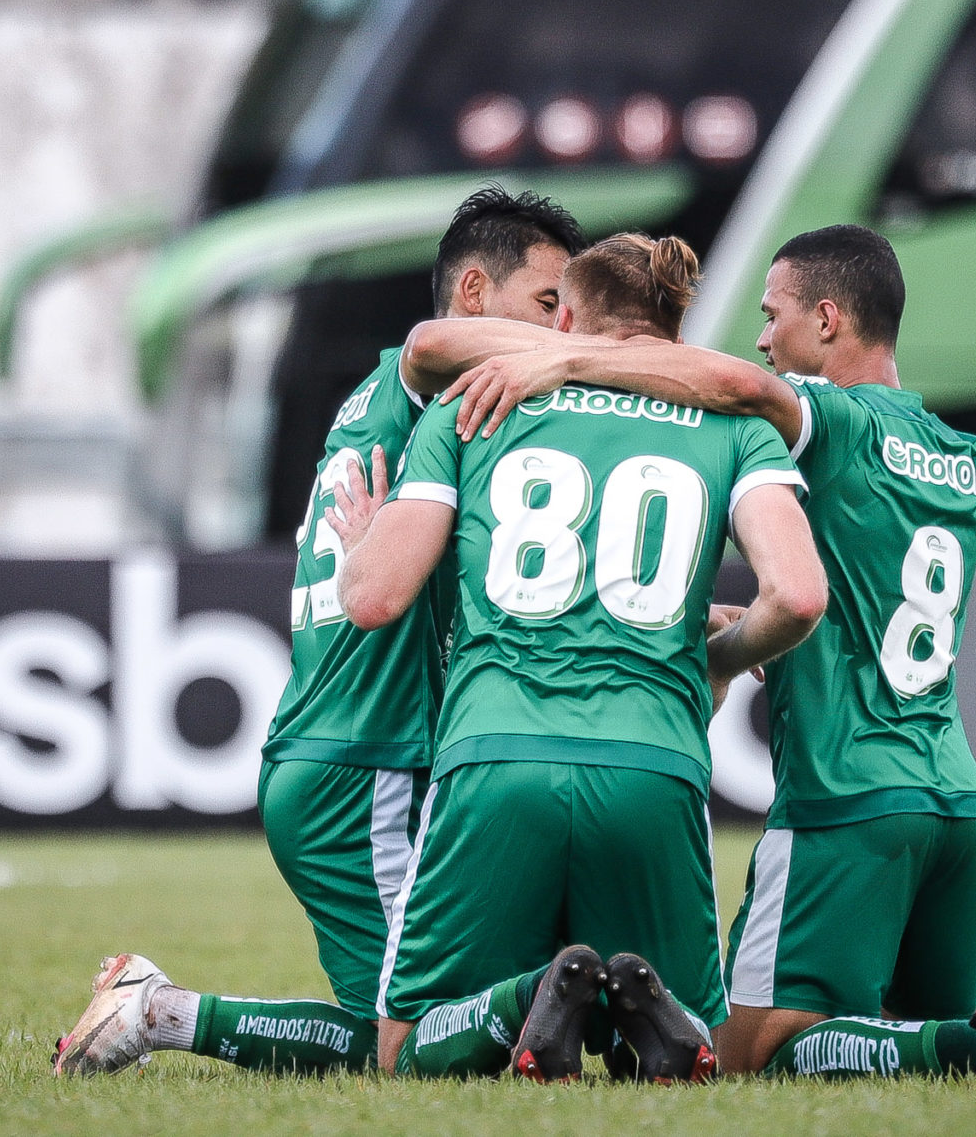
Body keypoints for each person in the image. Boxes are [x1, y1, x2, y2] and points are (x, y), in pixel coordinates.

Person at [417, 223, 976, 1079]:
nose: (761, 337)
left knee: (751, 1051)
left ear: (827, 319)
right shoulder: (963, 459)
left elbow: (729, 384)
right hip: (955, 804)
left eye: (772, 313)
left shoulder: (827, 419)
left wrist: (566, 360)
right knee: (908, 1027)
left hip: (844, 795)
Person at [51, 186, 586, 1078]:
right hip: (365, 762)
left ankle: (163, 1009)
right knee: (406, 1046)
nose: (561, 330)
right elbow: (430, 345)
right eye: (545, 305)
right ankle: (160, 1012)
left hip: (351, 751)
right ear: (472, 292)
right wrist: (607, 356)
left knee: (401, 1025)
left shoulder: (392, 408)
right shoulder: (419, 380)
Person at [350, 232, 823, 1083]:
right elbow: (797, 595)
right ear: (676, 332)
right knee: (703, 1047)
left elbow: (375, 597)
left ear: (563, 317)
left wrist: (361, 542)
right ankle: (643, 1017)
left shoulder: (475, 398)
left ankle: (535, 990)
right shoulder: (732, 425)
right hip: (655, 763)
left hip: (497, 755)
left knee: (402, 1049)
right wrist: (715, 660)